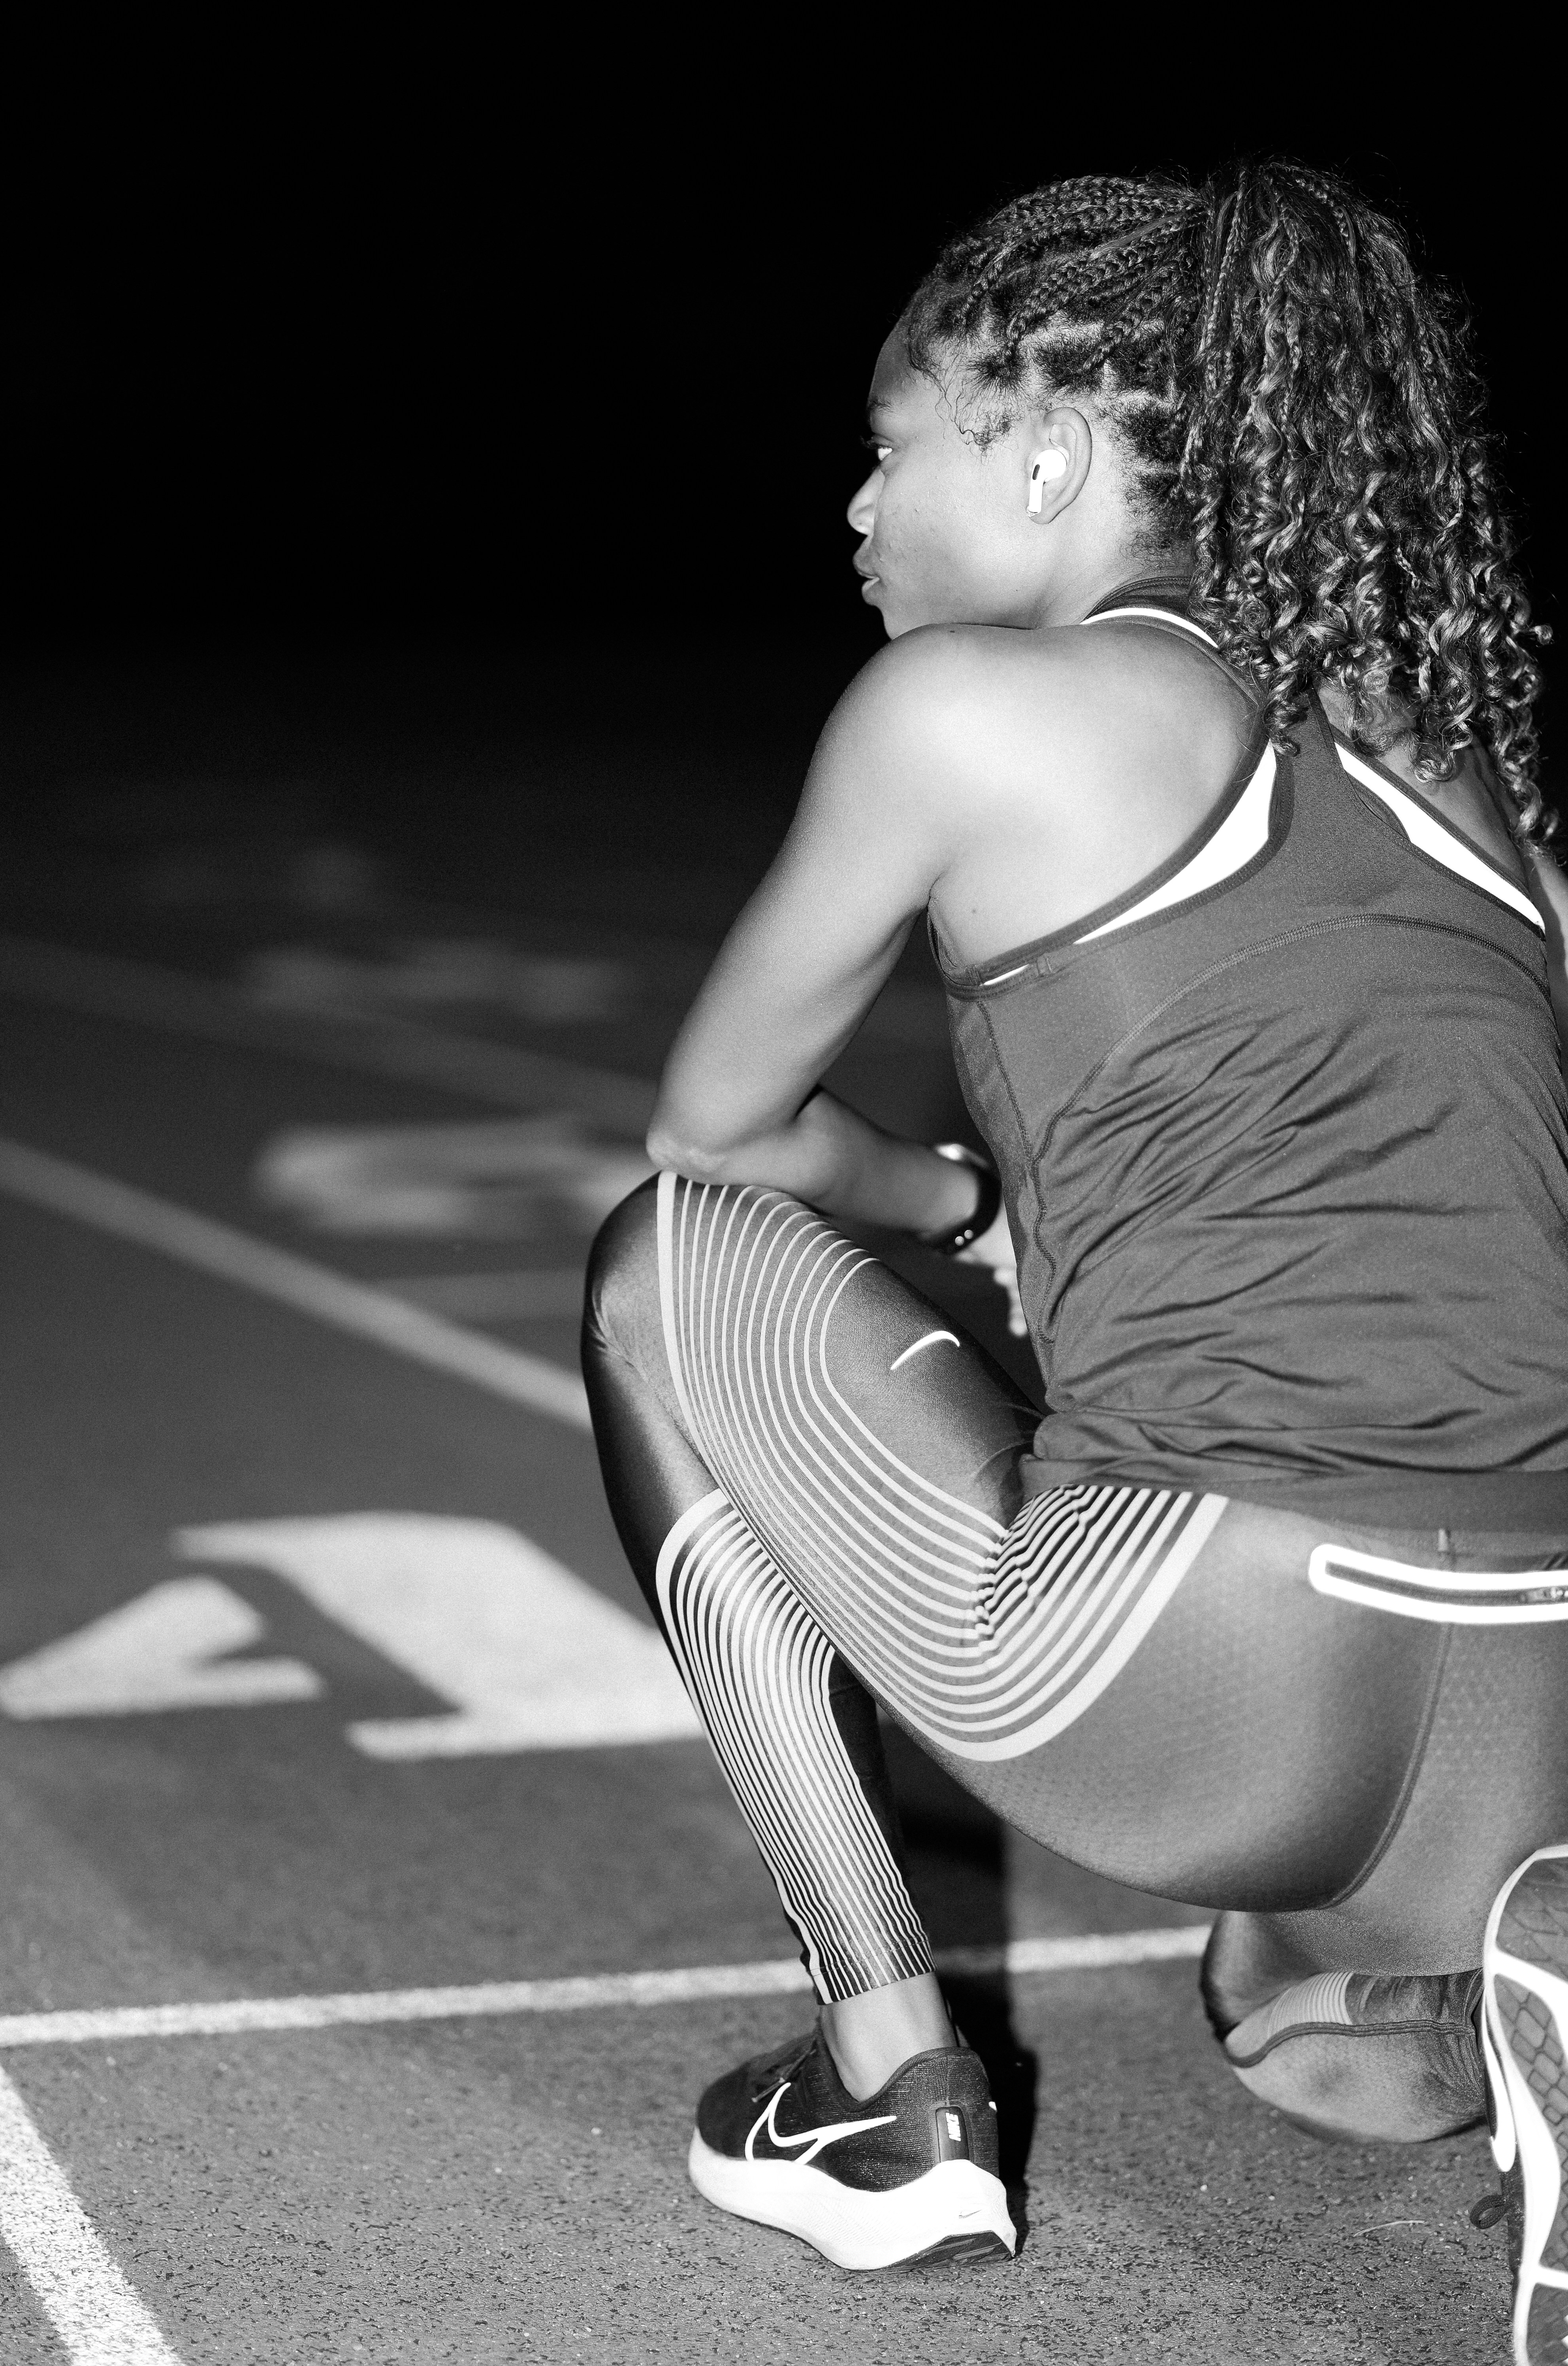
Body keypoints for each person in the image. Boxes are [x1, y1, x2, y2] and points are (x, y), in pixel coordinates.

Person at [581, 162, 1568, 2362]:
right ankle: (1498, 1988)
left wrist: (951, 1204)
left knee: (663, 1269)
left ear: (1040, 449)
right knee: (1293, 2026)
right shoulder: (1460, 762)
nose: (856, 501)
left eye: (894, 437)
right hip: (1541, 1690)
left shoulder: (966, 714)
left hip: (1210, 1665)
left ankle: (886, 2097)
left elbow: (715, 1132)